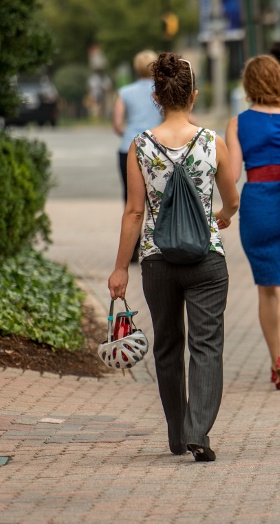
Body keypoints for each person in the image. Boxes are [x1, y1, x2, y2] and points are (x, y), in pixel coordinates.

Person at [108, 52, 240, 462]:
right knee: (207, 344)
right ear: (194, 96)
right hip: (206, 259)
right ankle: (200, 430)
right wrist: (222, 216)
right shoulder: (212, 142)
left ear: (156, 96)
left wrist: (119, 268)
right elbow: (232, 197)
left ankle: (177, 434)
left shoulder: (140, 146)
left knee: (168, 345)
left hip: (156, 259)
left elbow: (134, 211)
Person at [225, 55, 280, 390]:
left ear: (248, 86)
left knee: (265, 289)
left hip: (256, 206)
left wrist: (224, 212)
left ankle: (274, 362)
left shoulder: (237, 123)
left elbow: (232, 175)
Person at [113, 50, 163, 261]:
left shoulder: (125, 92)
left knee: (131, 199)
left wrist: (129, 135)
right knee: (159, 198)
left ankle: (133, 249)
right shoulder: (161, 90)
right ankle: (159, 244)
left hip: (129, 149)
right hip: (158, 149)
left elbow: (117, 123)